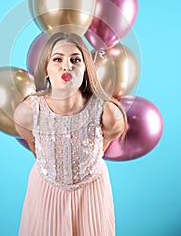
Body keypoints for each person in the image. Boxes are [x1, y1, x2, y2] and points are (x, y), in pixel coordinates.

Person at [14, 32, 127, 236]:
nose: (67, 66)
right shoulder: (28, 111)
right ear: (46, 70)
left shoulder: (107, 112)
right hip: (46, 191)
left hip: (91, 193)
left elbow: (105, 143)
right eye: (57, 59)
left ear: (85, 69)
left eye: (76, 60)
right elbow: (34, 145)